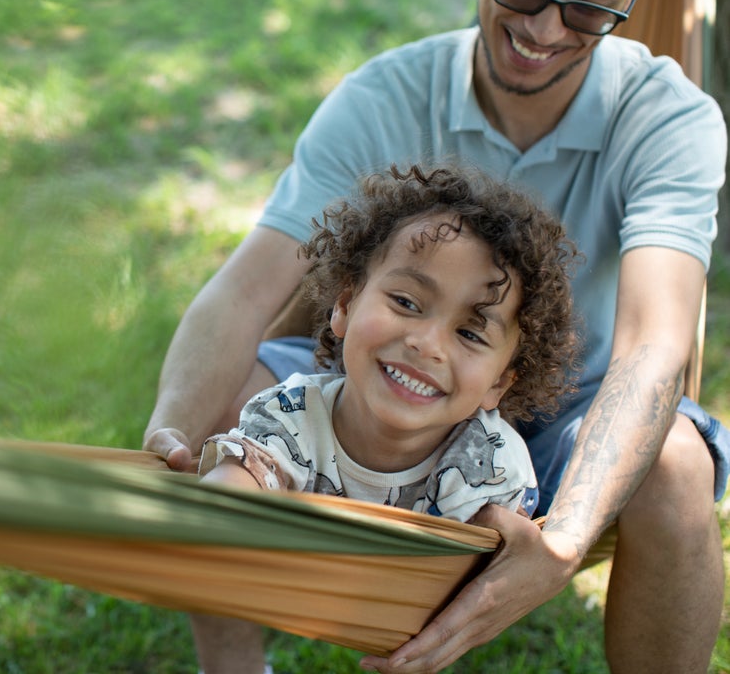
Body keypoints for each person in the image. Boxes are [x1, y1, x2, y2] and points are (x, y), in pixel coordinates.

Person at [143, 0, 730, 672]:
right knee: (222, 407)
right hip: (375, 386)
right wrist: (169, 435)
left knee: (674, 465)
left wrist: (561, 541)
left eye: (589, 8)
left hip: (569, 407)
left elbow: (654, 346)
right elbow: (247, 291)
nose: (543, 28)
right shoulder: (385, 97)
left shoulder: (668, 119)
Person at [196, 165, 580, 672]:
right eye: (405, 302)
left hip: (413, 603)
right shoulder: (290, 413)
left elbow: (491, 559)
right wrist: (211, 514)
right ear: (346, 305)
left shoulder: (491, 465)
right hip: (297, 570)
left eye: (470, 334)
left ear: (498, 384)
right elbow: (238, 483)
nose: (427, 344)